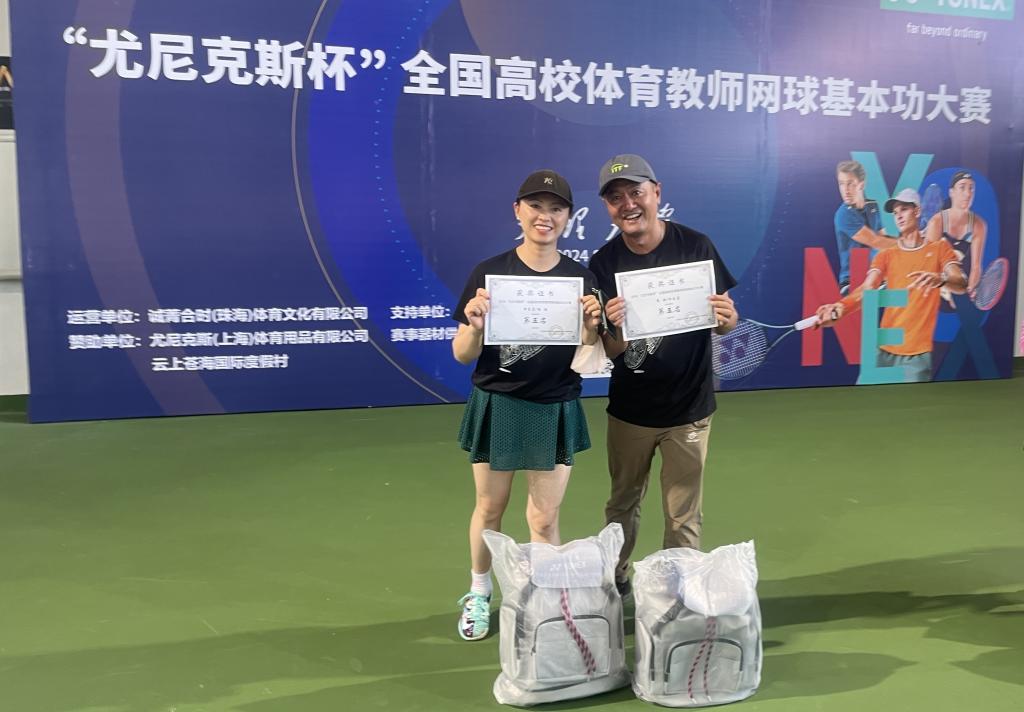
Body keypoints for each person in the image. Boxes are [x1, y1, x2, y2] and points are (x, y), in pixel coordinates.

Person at [451, 169, 603, 640]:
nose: (545, 216)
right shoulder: (489, 274)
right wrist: (475, 326)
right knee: (489, 508)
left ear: (568, 217)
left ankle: (545, 603)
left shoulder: (581, 278)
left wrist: (592, 327)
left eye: (556, 209)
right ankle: (479, 593)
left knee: (544, 517)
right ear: (518, 210)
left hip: (553, 405)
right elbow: (462, 353)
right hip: (498, 402)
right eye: (536, 206)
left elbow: (589, 350)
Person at [587, 154, 739, 597]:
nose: (628, 205)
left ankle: (677, 592)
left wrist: (728, 319)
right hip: (631, 411)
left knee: (683, 513)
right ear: (607, 208)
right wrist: (614, 326)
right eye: (616, 198)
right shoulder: (603, 263)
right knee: (622, 503)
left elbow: (724, 321)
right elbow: (610, 350)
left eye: (636, 192)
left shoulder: (696, 247)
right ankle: (615, 580)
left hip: (689, 409)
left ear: (656, 193)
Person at [815, 188, 967, 382]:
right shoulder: (886, 255)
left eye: (904, 209)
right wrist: (840, 307)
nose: (899, 216)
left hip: (916, 356)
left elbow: (961, 284)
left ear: (917, 211)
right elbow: (868, 289)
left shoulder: (939, 248)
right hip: (883, 352)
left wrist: (941, 280)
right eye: (895, 213)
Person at [924, 170, 987, 303]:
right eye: (962, 187)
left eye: (971, 188)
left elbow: (976, 267)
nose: (968, 193)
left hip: (961, 289)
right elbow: (929, 267)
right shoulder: (937, 222)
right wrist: (947, 288)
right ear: (951, 192)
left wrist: (970, 287)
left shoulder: (979, 225)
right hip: (937, 290)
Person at [834, 160, 893, 295]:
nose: (845, 190)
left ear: (862, 184)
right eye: (841, 184)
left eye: (850, 183)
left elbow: (884, 240)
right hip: (852, 282)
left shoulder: (873, 206)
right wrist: (908, 243)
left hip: (876, 278)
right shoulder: (843, 215)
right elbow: (876, 241)